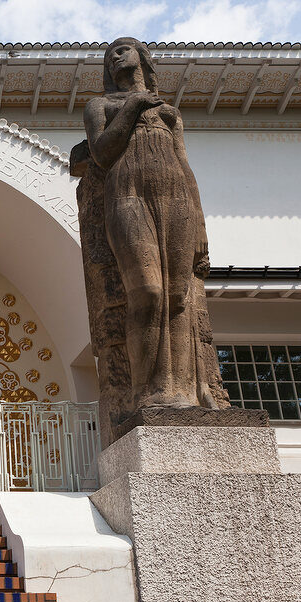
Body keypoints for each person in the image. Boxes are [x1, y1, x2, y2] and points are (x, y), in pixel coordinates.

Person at [83, 37, 216, 409]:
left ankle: (185, 392)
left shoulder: (170, 113)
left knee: (178, 296)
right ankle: (148, 392)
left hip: (175, 198)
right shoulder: (100, 105)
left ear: (142, 57)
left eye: (122, 49)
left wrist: (201, 227)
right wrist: (132, 108)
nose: (114, 57)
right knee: (147, 291)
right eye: (109, 55)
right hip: (128, 195)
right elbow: (102, 152)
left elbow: (186, 169)